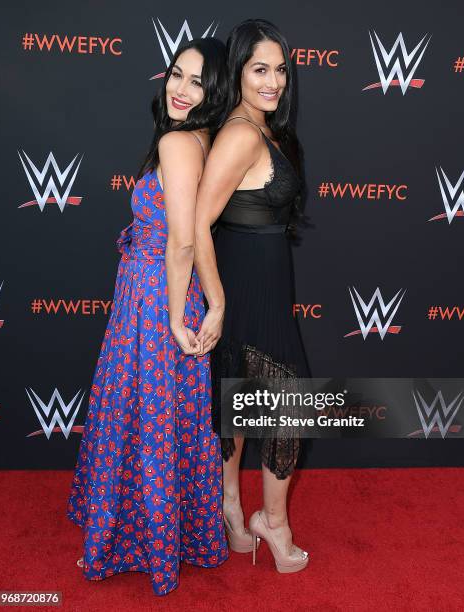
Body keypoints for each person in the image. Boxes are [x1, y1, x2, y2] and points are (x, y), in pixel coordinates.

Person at [66, 37, 229, 596]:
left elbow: (184, 240)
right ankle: (174, 535)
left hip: (155, 298)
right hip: (165, 294)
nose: (182, 90)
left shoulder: (180, 143)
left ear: (215, 90)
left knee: (147, 422)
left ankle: (142, 539)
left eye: (197, 81)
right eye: (176, 75)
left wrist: (177, 319)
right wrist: (215, 303)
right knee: (163, 422)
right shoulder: (202, 139)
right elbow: (201, 232)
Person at [193, 19, 310, 573]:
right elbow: (198, 224)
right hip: (244, 285)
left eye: (280, 69)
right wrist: (216, 302)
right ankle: (271, 521)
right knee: (285, 408)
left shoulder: (260, 129)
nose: (274, 81)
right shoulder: (241, 133)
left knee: (242, 406)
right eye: (260, 69)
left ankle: (233, 511)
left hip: (263, 280)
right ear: (238, 70)